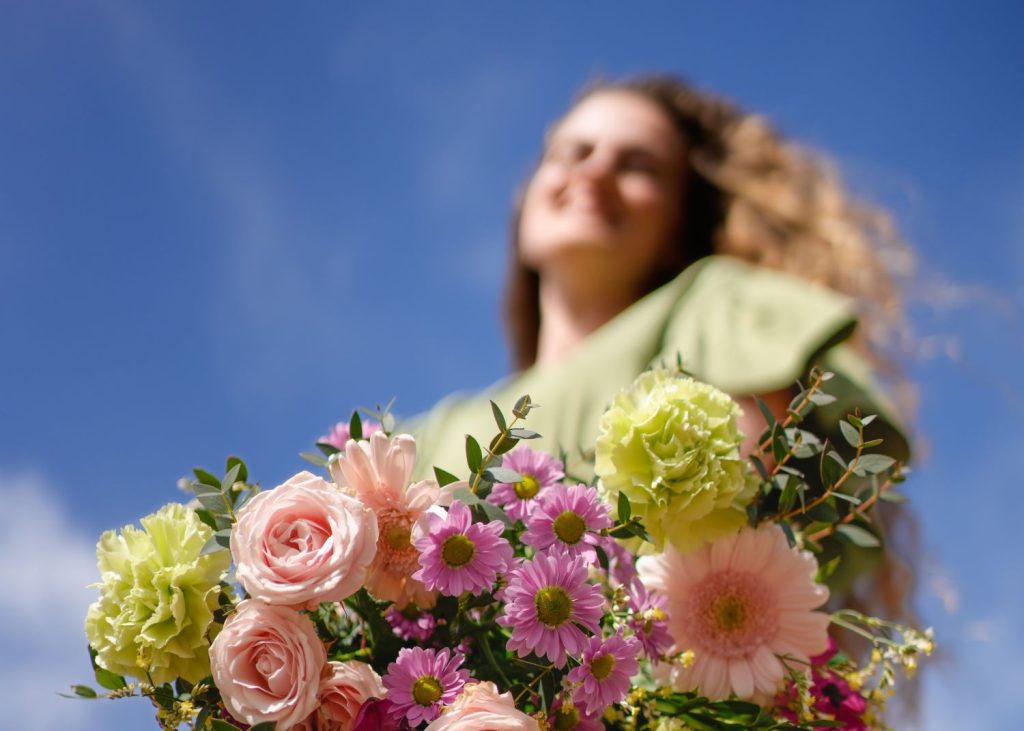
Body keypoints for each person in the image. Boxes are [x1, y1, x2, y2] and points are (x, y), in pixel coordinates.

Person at [409, 74, 915, 625]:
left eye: (637, 166)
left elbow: (721, 533)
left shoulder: (717, 304)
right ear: (527, 200)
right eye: (573, 152)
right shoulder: (423, 437)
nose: (594, 171)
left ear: (677, 225)